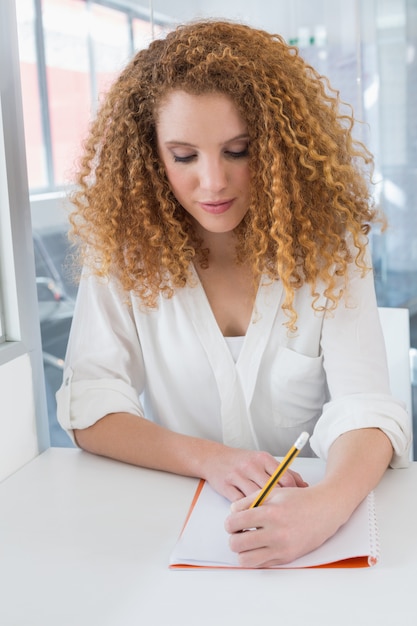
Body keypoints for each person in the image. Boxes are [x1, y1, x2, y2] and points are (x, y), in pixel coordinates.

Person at [57, 19, 411, 568]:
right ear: (152, 157)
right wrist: (210, 460)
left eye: (238, 150)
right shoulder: (124, 250)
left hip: (305, 520)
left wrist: (327, 506)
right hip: (169, 527)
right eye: (184, 156)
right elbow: (92, 404)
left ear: (273, 148)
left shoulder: (327, 245)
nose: (214, 182)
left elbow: (364, 407)